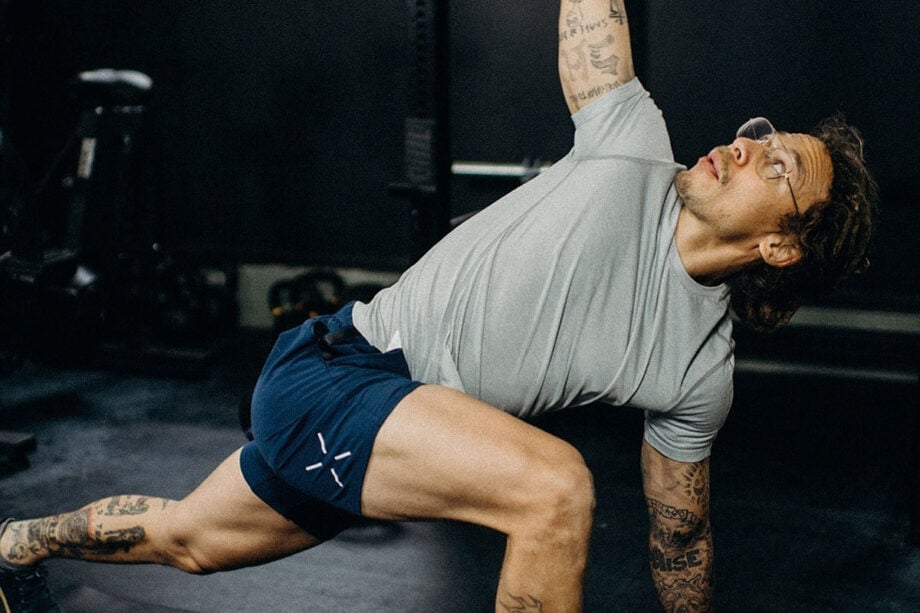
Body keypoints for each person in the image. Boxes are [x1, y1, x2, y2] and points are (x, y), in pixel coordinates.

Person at [0, 1, 877, 611]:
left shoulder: (698, 371)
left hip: (404, 430)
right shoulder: (632, 141)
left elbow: (680, 538)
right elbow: (590, 19)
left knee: (191, 539)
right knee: (556, 490)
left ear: (781, 247)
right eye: (760, 135)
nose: (746, 145)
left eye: (778, 165)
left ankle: (17, 541)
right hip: (344, 369)